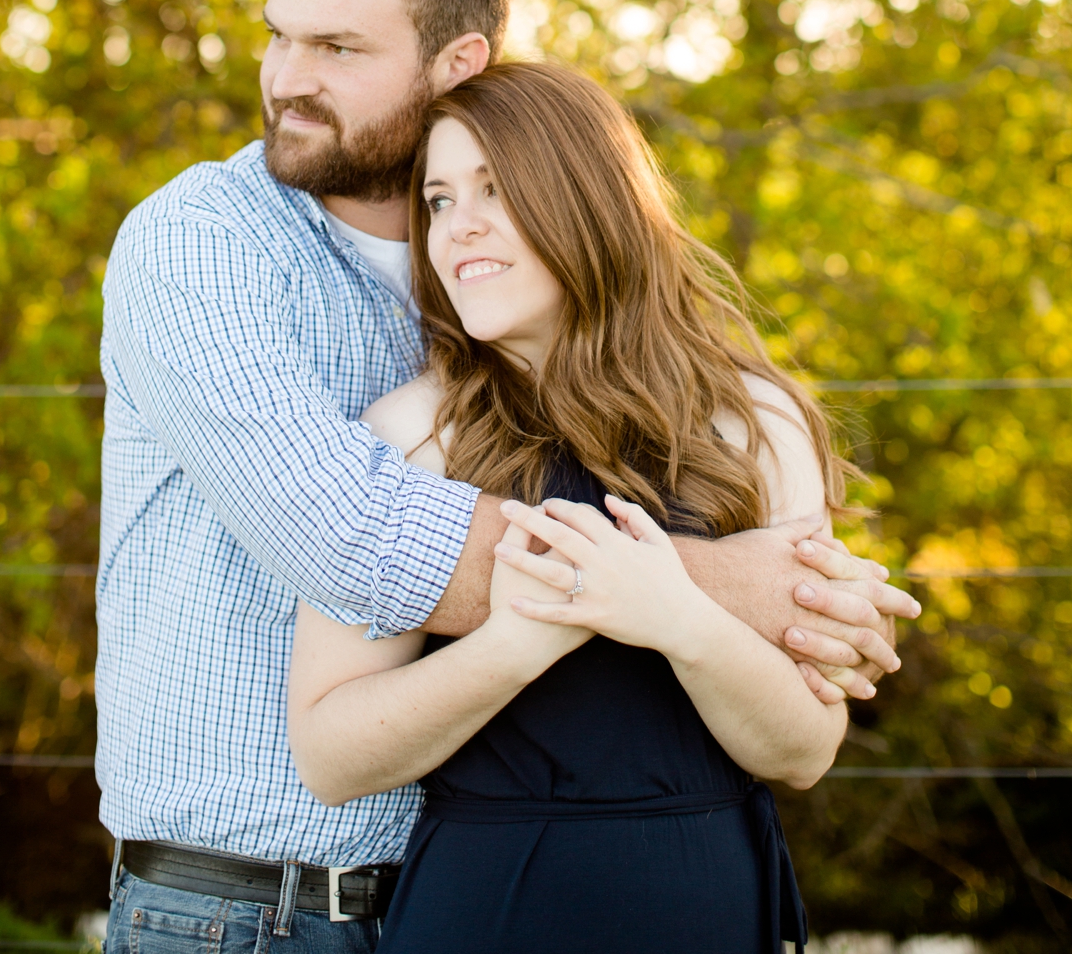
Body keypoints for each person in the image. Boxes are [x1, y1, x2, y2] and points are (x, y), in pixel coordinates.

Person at [98, 0, 917, 949]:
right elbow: (353, 536)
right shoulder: (204, 244)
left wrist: (774, 605)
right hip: (248, 909)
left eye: (338, 49)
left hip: (449, 882)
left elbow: (801, 736)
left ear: (458, 63)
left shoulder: (488, 313)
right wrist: (733, 588)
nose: (287, 79)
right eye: (277, 36)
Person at [287, 60, 844, 950]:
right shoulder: (410, 436)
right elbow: (331, 753)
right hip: (488, 909)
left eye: (494, 190)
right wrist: (515, 643)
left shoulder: (753, 422)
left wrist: (675, 618)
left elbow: (804, 749)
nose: (458, 226)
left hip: (709, 905)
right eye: (436, 200)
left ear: (584, 198)